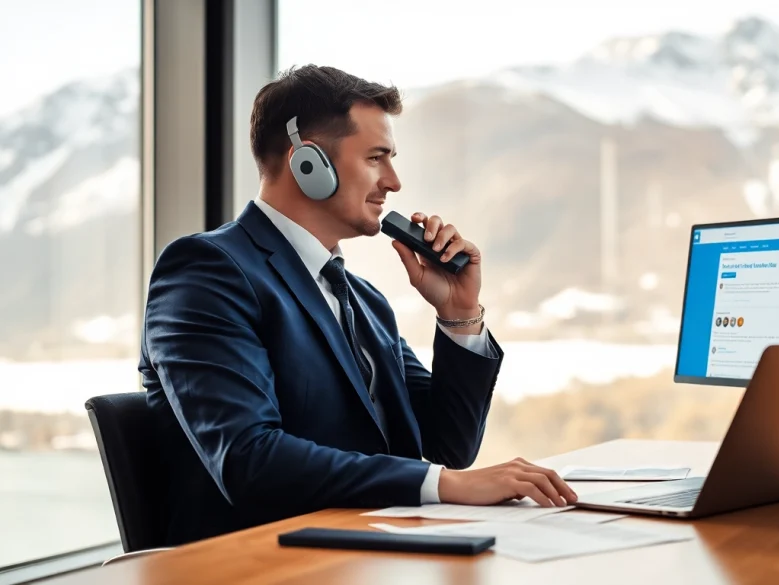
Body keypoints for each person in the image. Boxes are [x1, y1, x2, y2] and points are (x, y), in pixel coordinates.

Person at [139, 65, 576, 546]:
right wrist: (443, 485)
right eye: (376, 158)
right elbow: (249, 460)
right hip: (266, 565)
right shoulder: (207, 272)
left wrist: (458, 313)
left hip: (375, 550)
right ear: (307, 162)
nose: (393, 181)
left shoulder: (363, 299)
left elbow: (447, 446)